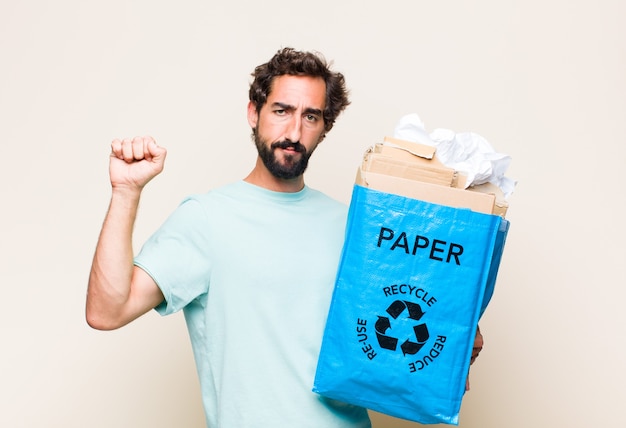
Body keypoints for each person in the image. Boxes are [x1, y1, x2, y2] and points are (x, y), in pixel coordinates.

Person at [86, 47, 483, 427]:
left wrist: (455, 337)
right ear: (253, 113)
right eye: (282, 111)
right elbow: (107, 311)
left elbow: (393, 326)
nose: (294, 131)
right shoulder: (206, 219)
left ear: (324, 128)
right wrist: (126, 192)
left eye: (311, 117)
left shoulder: (353, 227)